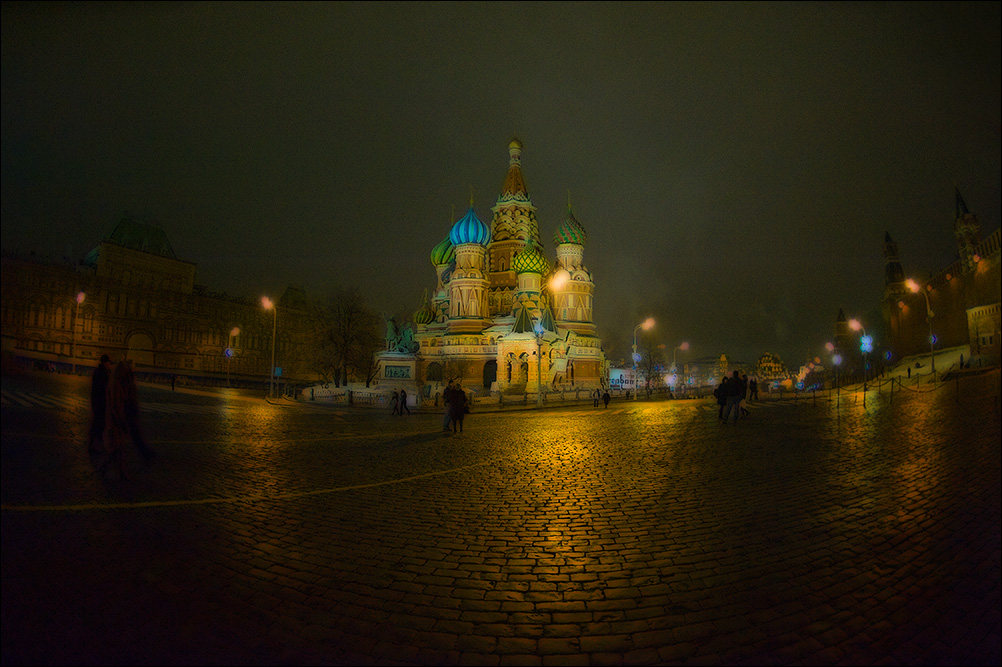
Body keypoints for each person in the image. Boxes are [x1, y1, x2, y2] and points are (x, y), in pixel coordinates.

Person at [100, 361, 132, 479]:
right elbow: (115, 404)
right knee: (117, 448)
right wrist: (119, 420)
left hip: (115, 419)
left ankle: (116, 470)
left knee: (118, 448)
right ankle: (118, 471)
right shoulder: (115, 385)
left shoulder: (115, 383)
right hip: (115, 420)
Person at [123, 360, 156, 461]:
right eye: (133, 366)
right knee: (135, 434)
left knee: (135, 434)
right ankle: (146, 454)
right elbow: (129, 396)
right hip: (129, 411)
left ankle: (146, 453)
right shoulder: (128, 379)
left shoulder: (127, 378)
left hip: (129, 410)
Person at [87, 355, 114, 453]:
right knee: (99, 423)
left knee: (98, 423)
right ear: (105, 363)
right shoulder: (102, 373)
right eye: (109, 363)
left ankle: (94, 442)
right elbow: (103, 389)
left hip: (98, 402)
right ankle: (97, 443)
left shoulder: (100, 371)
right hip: (100, 402)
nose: (110, 365)